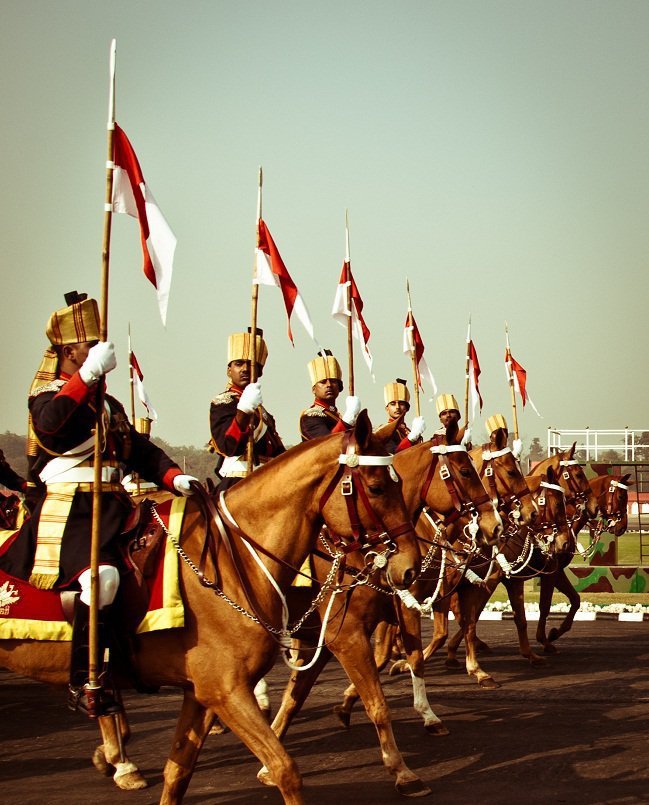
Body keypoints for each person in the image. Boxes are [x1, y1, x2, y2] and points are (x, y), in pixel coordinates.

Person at [0, 291, 198, 715]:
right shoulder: (47, 396)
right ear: (69, 349)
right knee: (102, 579)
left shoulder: (108, 405)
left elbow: (137, 450)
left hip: (114, 506)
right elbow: (53, 430)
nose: (99, 349)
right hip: (69, 509)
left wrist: (172, 475)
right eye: (91, 344)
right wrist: (87, 376)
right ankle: (87, 678)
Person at [209, 328, 285, 491]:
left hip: (268, 481)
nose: (244, 369)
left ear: (259, 371)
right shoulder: (223, 402)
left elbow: (280, 455)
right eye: (238, 364)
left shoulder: (265, 414)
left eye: (250, 364)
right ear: (229, 370)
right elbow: (228, 447)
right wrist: (244, 410)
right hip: (238, 482)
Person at [299, 350, 361, 441]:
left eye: (333, 381)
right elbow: (327, 444)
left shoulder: (335, 414)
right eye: (322, 382)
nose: (329, 385)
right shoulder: (310, 417)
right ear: (314, 389)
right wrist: (348, 418)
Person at [381, 378, 426, 453]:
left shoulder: (407, 431)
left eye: (401, 403)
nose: (397, 407)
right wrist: (411, 438)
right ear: (387, 408)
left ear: (407, 408)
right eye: (393, 404)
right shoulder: (385, 431)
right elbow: (394, 454)